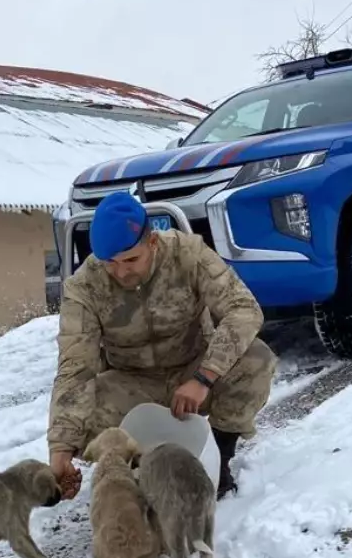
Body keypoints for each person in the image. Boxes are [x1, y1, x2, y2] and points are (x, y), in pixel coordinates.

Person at [47, 191, 277, 500]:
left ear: (152, 242)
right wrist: (60, 451)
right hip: (131, 381)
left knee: (255, 360)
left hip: (192, 367)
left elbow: (244, 310)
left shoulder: (188, 254)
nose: (121, 271)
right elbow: (75, 370)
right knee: (85, 413)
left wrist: (204, 376)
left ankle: (219, 460)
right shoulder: (84, 286)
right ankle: (140, 467)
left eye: (131, 259)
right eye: (110, 263)